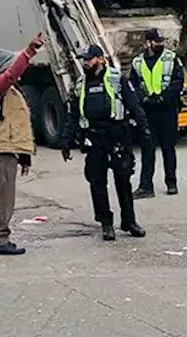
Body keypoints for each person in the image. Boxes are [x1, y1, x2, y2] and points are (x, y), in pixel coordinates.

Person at [60, 44, 148, 241]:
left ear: (100, 59)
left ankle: (129, 221)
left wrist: (144, 129)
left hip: (117, 135)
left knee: (123, 180)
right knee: (97, 182)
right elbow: (73, 115)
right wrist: (66, 140)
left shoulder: (117, 79)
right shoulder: (81, 84)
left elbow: (133, 104)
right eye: (84, 59)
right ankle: (106, 223)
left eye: (89, 59)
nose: (85, 63)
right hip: (93, 137)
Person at [0, 33, 43, 256]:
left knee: (3, 198)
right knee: (3, 200)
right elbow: (10, 75)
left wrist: (24, 156)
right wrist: (29, 52)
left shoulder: (10, 91)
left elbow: (17, 125)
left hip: (6, 150)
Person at [131, 27, 183, 198]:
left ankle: (171, 183)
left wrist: (163, 99)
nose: (160, 44)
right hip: (148, 111)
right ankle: (146, 186)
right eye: (157, 41)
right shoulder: (137, 62)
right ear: (148, 43)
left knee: (168, 148)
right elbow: (134, 84)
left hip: (166, 109)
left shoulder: (171, 58)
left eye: (162, 41)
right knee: (147, 149)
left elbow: (178, 82)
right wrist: (142, 99)